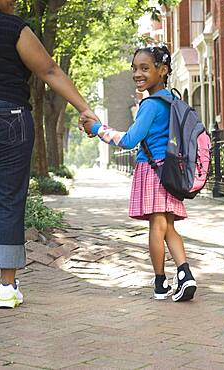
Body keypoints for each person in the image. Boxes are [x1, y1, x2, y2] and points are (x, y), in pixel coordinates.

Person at [0, 0, 98, 308]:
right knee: (9, 199)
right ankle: (6, 286)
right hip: (11, 118)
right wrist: (84, 108)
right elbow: (49, 70)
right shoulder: (15, 28)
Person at [81, 45, 197, 302]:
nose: (137, 73)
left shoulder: (150, 105)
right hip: (171, 170)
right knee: (168, 226)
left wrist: (99, 128)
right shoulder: (174, 101)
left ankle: (159, 283)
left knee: (157, 225)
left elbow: (130, 139)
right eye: (134, 68)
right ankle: (185, 273)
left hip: (152, 170)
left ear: (162, 70)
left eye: (145, 68)